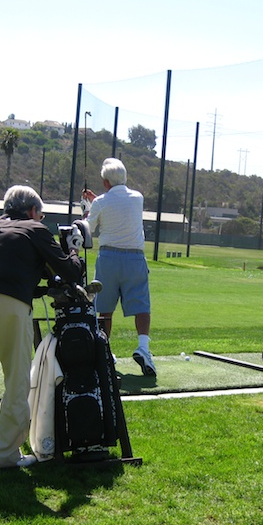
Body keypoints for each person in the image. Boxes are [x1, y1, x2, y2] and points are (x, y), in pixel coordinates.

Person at [0, 185, 83, 469]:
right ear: (31, 211)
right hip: (9, 306)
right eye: (40, 215)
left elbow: (16, 262)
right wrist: (73, 247)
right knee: (16, 381)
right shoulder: (35, 229)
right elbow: (71, 271)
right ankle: (5, 455)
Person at [82, 157, 156, 377]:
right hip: (135, 258)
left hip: (109, 258)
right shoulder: (137, 198)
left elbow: (89, 227)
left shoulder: (100, 203)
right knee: (142, 305)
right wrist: (98, 202)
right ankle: (143, 348)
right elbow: (118, 205)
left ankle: (105, 351)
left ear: (105, 182)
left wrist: (88, 209)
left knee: (104, 309)